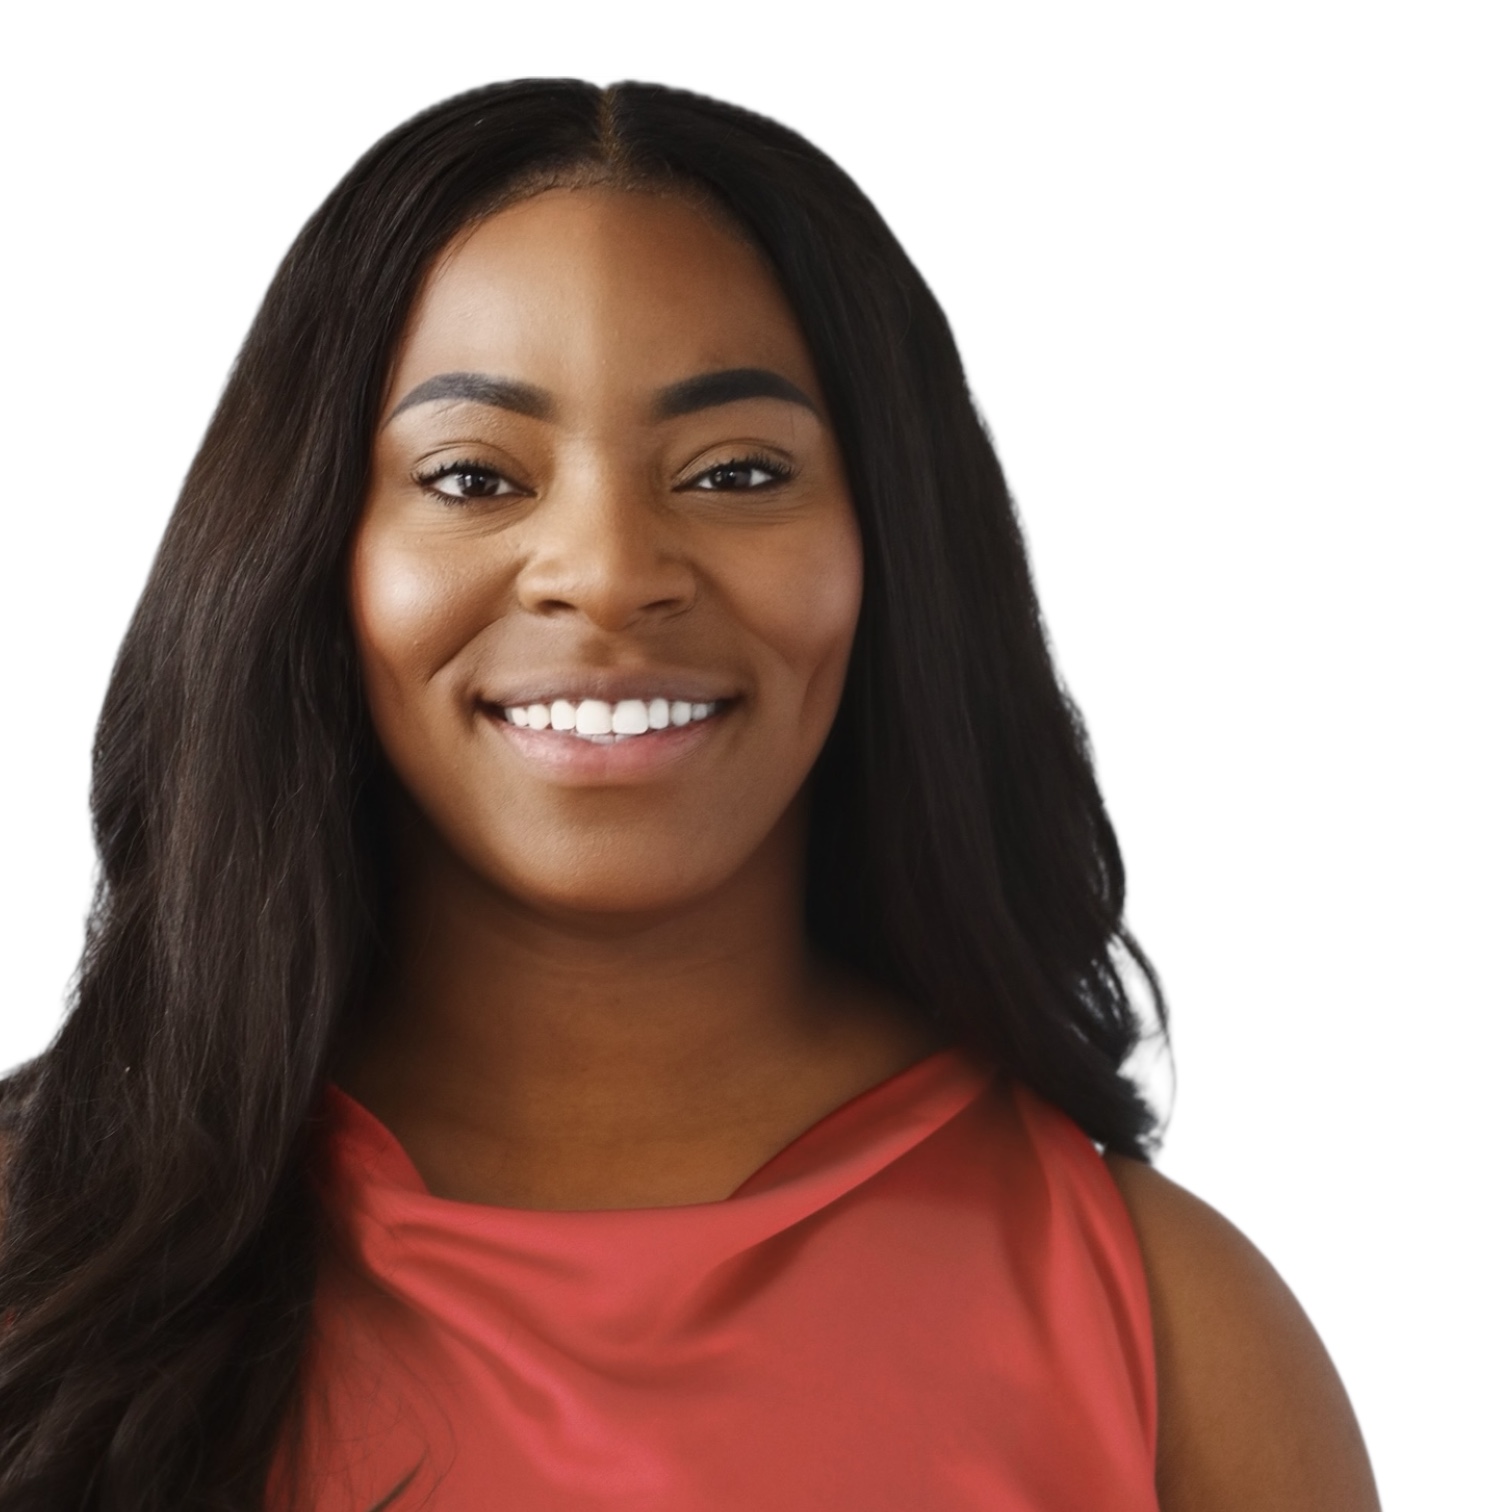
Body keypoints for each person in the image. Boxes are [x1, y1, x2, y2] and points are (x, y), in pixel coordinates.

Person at [0, 79, 1378, 1511]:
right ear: (308, 552)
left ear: (893, 546)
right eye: (472, 478)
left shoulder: (1177, 1333)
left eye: (736, 472)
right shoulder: (38, 1272)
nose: (606, 573)